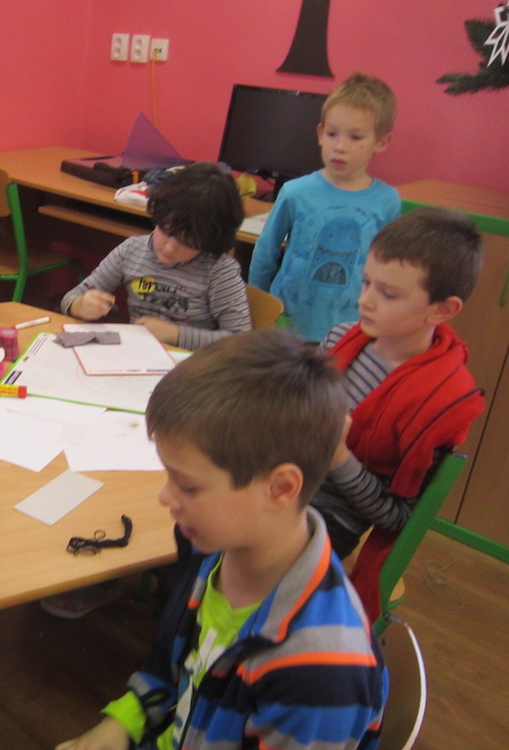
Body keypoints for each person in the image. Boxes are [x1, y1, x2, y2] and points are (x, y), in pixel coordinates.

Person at [56, 329, 387, 750]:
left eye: (188, 486)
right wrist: (122, 723)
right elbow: (176, 667)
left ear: (281, 488)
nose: (165, 497)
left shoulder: (320, 674)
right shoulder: (214, 548)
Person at [313, 207, 485, 561]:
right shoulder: (339, 338)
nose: (364, 300)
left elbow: (396, 516)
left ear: (442, 310)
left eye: (388, 294)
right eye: (366, 282)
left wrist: (338, 456)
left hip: (331, 517)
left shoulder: (442, 402)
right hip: (279, 474)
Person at [248, 72, 401, 343]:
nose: (339, 147)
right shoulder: (296, 192)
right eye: (332, 134)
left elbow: (387, 269)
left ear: (381, 142)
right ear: (320, 133)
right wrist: (258, 312)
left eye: (355, 137)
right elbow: (265, 252)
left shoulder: (387, 201)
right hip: (287, 325)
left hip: (350, 329)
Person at [59, 162, 250, 350]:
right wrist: (79, 305)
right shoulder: (132, 250)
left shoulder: (219, 271)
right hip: (139, 355)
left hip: (192, 363)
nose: (169, 248)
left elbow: (240, 341)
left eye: (187, 243)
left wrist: (175, 334)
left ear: (210, 241)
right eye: (165, 231)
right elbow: (72, 297)